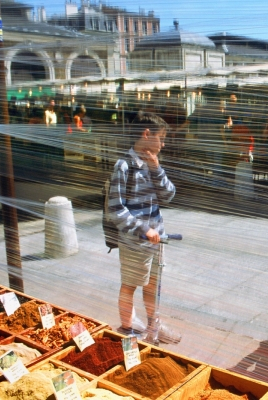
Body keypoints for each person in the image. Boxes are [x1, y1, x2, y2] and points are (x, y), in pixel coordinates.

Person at [108, 111, 181, 343]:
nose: (163, 143)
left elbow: (169, 195)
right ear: (146, 134)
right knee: (130, 285)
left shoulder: (152, 165)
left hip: (156, 240)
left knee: (152, 285)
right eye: (160, 137)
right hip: (135, 242)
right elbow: (116, 208)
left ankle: (153, 327)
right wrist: (143, 229)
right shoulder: (124, 166)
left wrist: (157, 169)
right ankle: (128, 330)